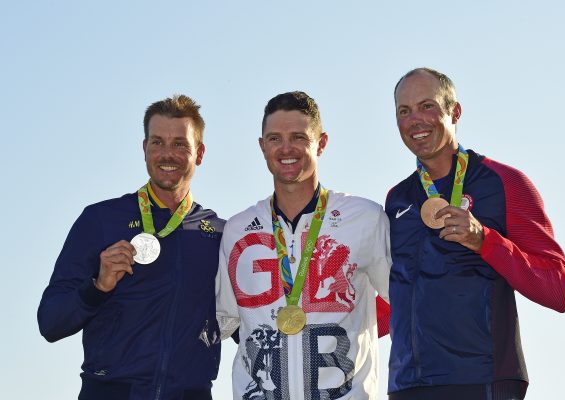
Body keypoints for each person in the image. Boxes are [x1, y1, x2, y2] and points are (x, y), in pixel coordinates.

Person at [386, 67, 565, 400]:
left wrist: (485, 241)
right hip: (407, 386)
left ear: (454, 112)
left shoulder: (505, 183)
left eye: (427, 106)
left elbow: (558, 290)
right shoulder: (397, 199)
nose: (415, 119)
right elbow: (398, 293)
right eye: (404, 111)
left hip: (482, 379)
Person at [37, 95, 224, 400]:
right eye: (157, 142)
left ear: (199, 153)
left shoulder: (218, 233)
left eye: (180, 144)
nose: (168, 154)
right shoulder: (100, 219)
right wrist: (98, 286)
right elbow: (50, 322)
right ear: (144, 148)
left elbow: (249, 321)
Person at [216, 91, 391, 399]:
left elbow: (406, 301)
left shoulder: (365, 217)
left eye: (298, 137)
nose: (286, 149)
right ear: (261, 146)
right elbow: (226, 323)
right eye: (274, 138)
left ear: (321, 143)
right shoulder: (237, 228)